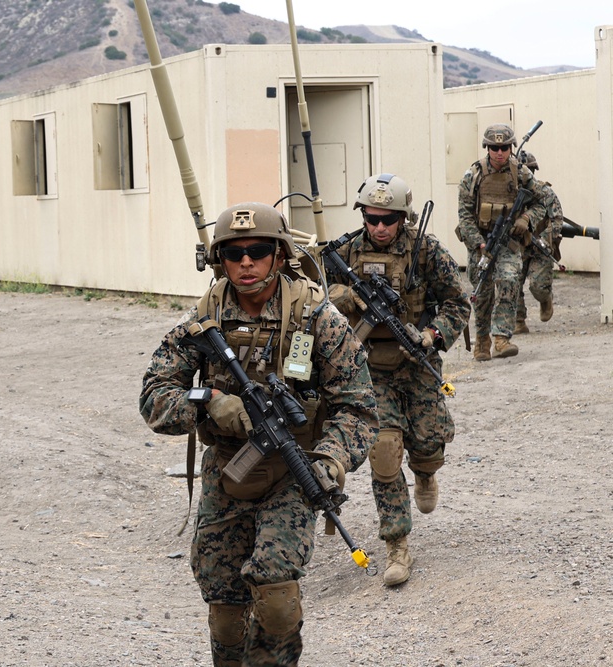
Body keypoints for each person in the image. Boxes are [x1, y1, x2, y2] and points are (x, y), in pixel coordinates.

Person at [139, 202, 377, 666]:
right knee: (225, 606)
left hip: (294, 467)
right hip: (228, 468)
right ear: (218, 260)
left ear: (279, 253)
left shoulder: (317, 317)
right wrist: (207, 402)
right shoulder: (205, 317)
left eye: (258, 250)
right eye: (234, 253)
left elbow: (358, 408)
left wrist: (329, 461)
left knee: (276, 594)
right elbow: (153, 395)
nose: (246, 262)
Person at [326, 174, 471, 586]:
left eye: (389, 219)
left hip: (416, 362)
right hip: (369, 369)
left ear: (403, 217)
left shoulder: (426, 250)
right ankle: (396, 545)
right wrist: (345, 297)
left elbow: (458, 303)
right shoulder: (346, 251)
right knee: (384, 451)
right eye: (372, 218)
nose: (380, 228)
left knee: (426, 441)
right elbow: (315, 291)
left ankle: (426, 472)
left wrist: (430, 335)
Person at [456, 123, 549, 361]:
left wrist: (527, 219)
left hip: (508, 241)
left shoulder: (521, 173)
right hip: (481, 242)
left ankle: (501, 337)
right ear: (487, 148)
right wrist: (479, 243)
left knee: (508, 281)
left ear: (511, 148)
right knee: (483, 292)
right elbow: (465, 216)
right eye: (495, 148)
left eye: (505, 147)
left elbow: (542, 201)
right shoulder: (473, 175)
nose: (500, 152)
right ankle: (483, 340)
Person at [514, 151, 563, 334]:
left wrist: (546, 240)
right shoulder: (510, 194)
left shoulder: (545, 192)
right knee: (512, 283)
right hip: (517, 247)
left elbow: (557, 219)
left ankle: (545, 298)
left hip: (540, 248)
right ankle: (518, 321)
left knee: (538, 286)